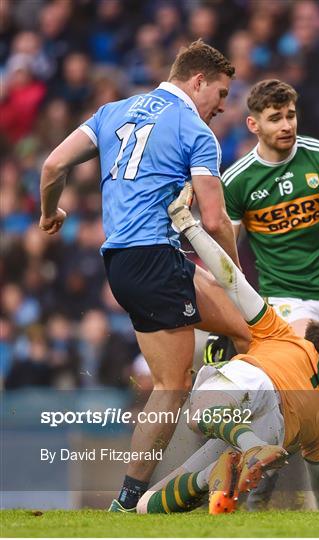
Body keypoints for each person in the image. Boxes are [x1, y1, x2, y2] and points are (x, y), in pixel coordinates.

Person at [38, 39, 252, 513]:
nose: (222, 106)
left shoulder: (113, 110)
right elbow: (216, 221)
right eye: (219, 93)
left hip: (123, 262)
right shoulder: (194, 130)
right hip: (156, 258)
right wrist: (240, 282)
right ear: (197, 81)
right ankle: (231, 466)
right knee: (214, 356)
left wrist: (49, 213)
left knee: (198, 361)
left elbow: (53, 164)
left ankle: (213, 467)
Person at [136, 183, 319, 515]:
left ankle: (245, 450)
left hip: (254, 384)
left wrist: (188, 226)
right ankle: (224, 466)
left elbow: (232, 280)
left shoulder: (281, 334)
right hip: (274, 431)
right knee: (148, 506)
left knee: (198, 415)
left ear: (311, 340)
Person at [206, 78, 319, 510]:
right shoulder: (238, 181)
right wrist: (225, 323)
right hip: (285, 300)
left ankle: (315, 501)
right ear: (253, 124)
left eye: (290, 114)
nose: (286, 124)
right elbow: (225, 260)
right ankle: (279, 497)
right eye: (275, 118)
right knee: (308, 385)